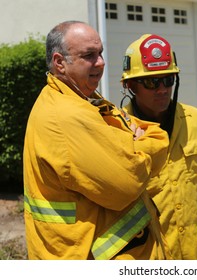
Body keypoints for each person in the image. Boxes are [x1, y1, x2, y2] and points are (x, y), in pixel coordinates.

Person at [23, 21, 171, 260]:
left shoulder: (83, 98)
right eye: (89, 55)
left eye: (100, 53)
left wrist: (130, 149)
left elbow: (156, 133)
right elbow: (126, 184)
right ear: (60, 63)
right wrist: (133, 143)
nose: (101, 62)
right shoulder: (66, 115)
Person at [120, 34, 197, 259]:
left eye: (168, 80)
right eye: (152, 82)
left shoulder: (196, 120)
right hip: (152, 257)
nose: (162, 88)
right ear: (130, 85)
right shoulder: (118, 130)